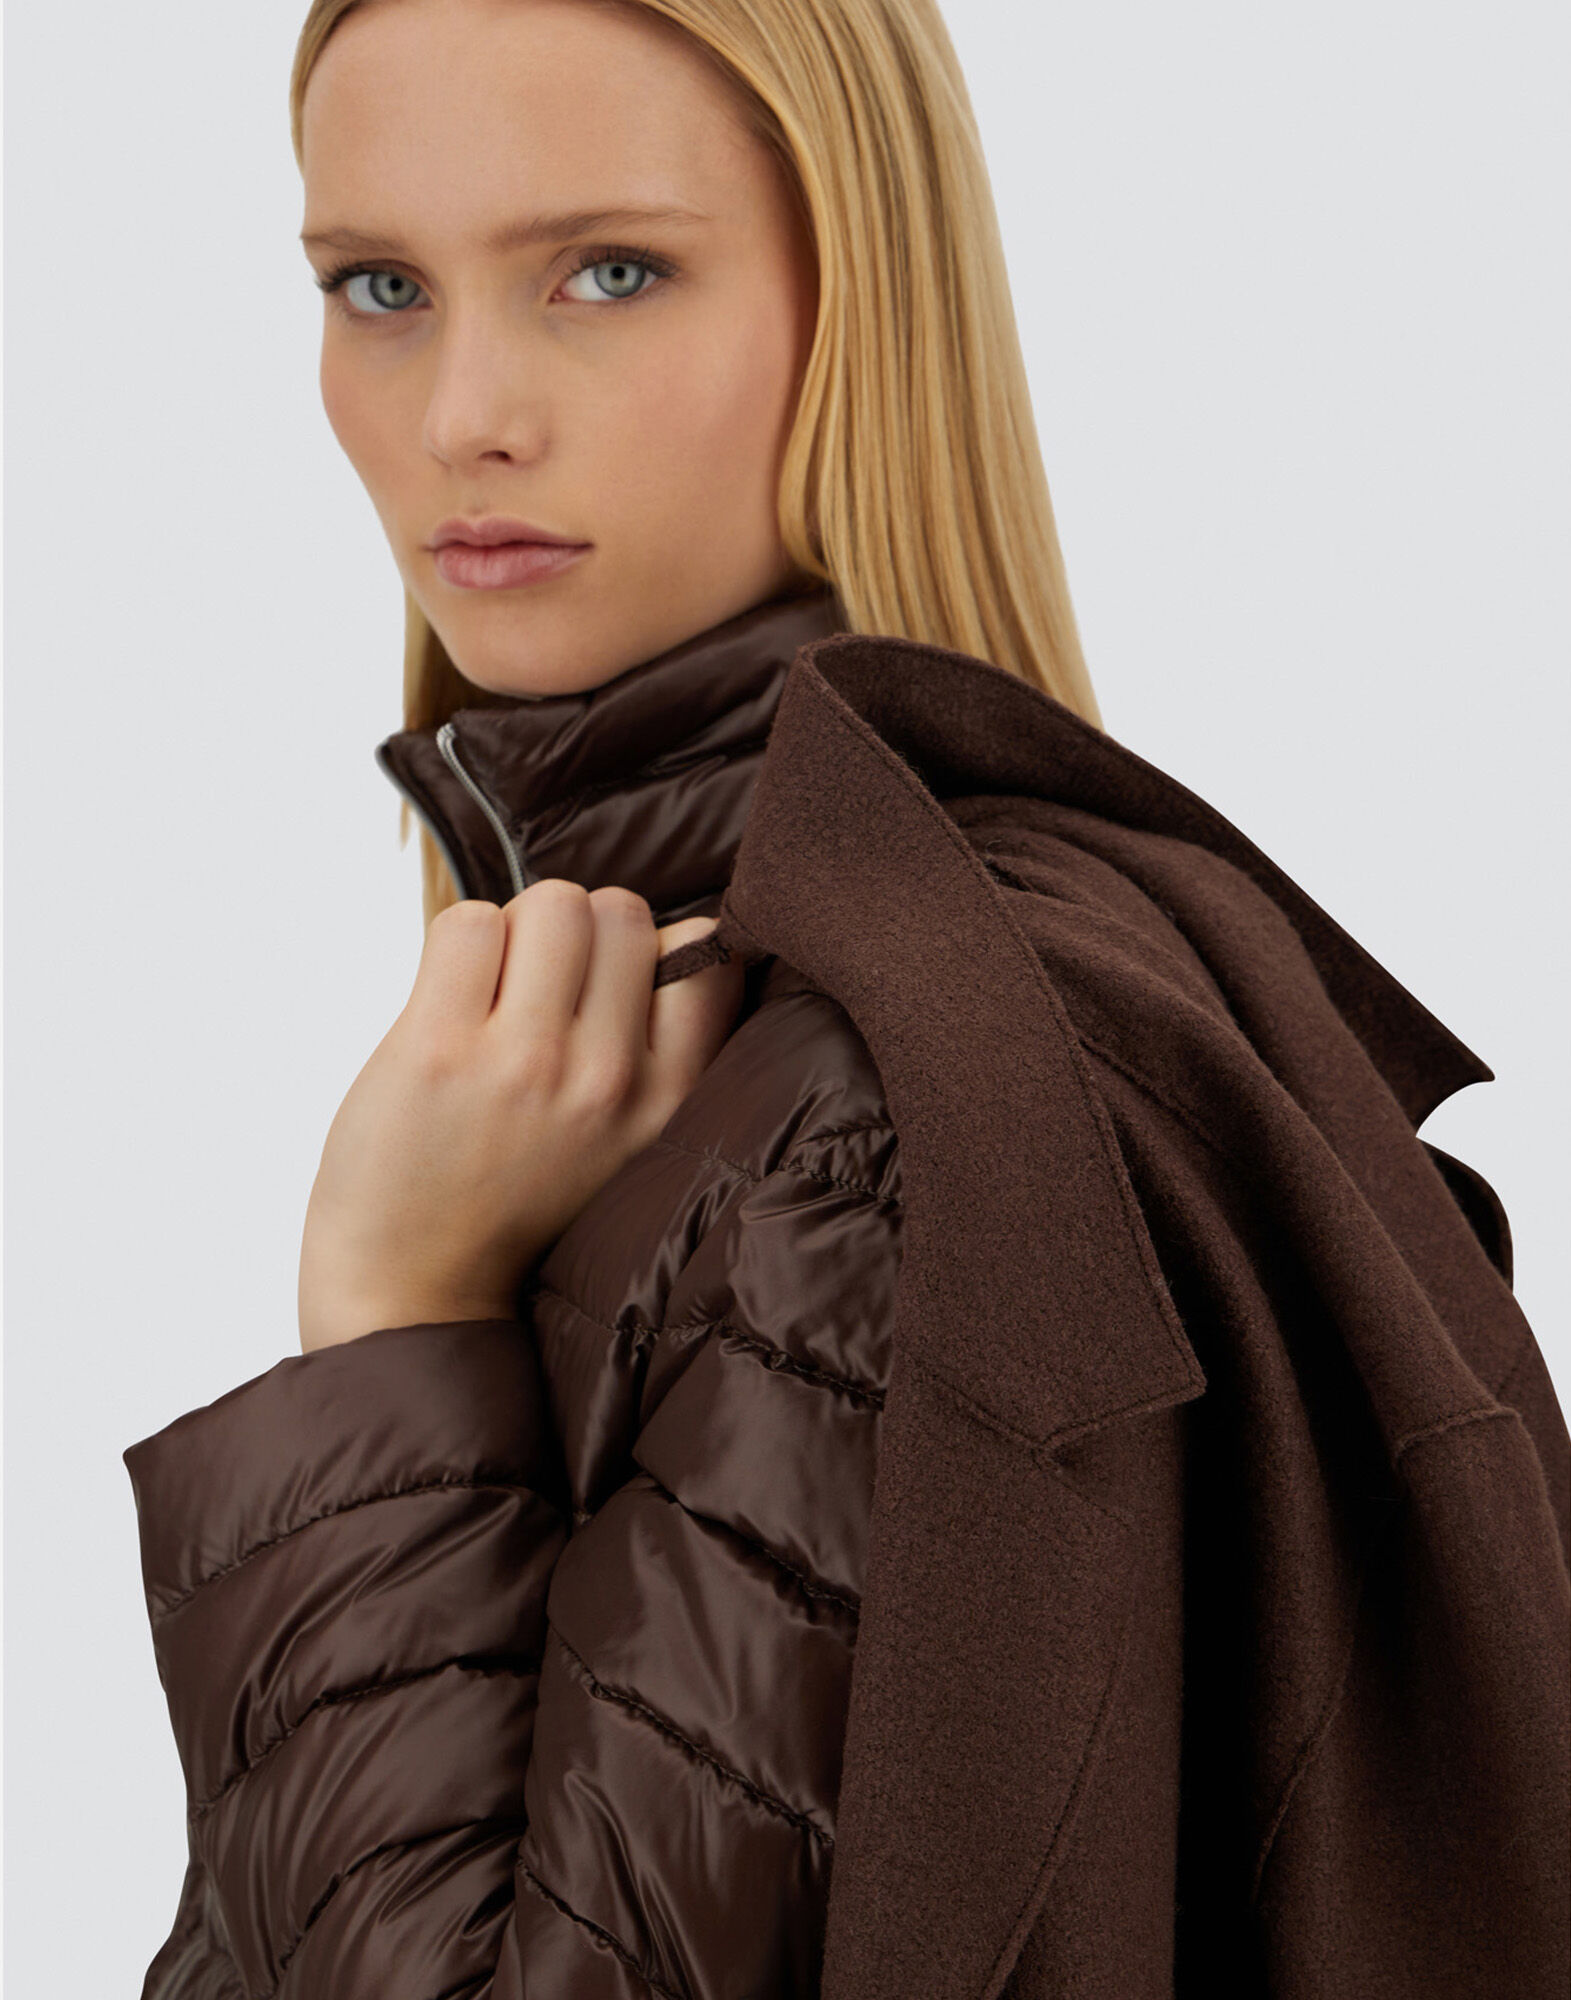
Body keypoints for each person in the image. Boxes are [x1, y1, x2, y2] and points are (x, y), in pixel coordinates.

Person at [122, 2, 1570, 1996]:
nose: (462, 414)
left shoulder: (854, 1122)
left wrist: (389, 1316)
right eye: (379, 286)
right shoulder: (785, 1018)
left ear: (867, 310)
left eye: (608, 272)